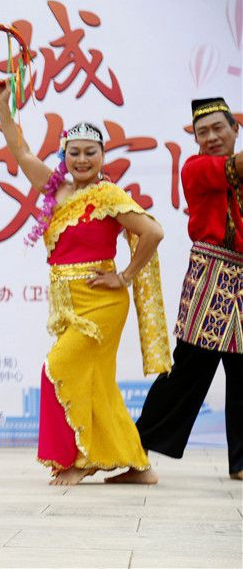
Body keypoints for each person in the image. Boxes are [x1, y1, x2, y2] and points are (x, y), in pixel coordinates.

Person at [0, 84, 171, 485]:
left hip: (102, 303)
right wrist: (3, 106)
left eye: (91, 152)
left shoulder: (107, 195)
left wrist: (124, 276)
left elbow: (153, 232)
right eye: (75, 152)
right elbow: (21, 152)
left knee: (57, 368)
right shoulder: (56, 188)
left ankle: (77, 460)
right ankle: (138, 466)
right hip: (69, 304)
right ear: (64, 156)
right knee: (99, 386)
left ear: (102, 156)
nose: (83, 159)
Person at [114, 97, 242, 482]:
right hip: (212, 273)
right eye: (202, 132)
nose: (211, 137)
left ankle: (241, 463)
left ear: (235, 129)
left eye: (218, 128)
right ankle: (134, 452)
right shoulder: (197, 167)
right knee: (188, 369)